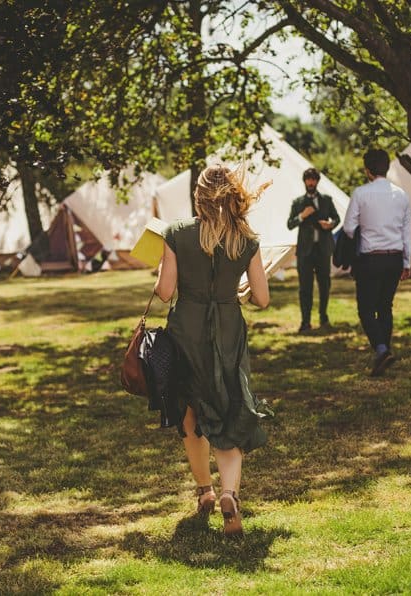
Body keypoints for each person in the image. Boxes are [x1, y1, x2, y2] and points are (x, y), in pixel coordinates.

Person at [155, 164, 271, 536]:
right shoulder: (246, 239)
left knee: (190, 414)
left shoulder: (176, 233)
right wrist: (239, 293)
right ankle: (229, 494)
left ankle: (205, 490)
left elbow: (165, 292)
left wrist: (160, 269)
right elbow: (262, 298)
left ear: (198, 194)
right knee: (228, 409)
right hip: (227, 330)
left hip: (186, 330)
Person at [342, 149, 411, 376]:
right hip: (394, 257)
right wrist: (407, 262)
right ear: (387, 167)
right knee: (385, 307)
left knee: (366, 309)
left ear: (367, 171)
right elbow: (406, 232)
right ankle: (384, 352)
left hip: (370, 259)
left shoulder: (361, 194)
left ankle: (382, 350)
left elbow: (348, 228)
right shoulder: (401, 195)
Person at [287, 167, 340, 333]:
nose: (310, 182)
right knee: (305, 287)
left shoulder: (326, 200)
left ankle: (324, 318)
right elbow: (290, 224)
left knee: (324, 285)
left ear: (317, 181)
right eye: (308, 179)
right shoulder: (297, 202)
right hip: (305, 251)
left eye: (313, 179)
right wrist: (302, 216)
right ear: (304, 181)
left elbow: (337, 218)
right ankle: (305, 322)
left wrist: (330, 224)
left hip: (323, 249)